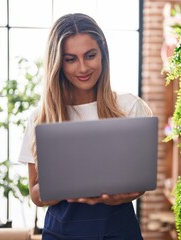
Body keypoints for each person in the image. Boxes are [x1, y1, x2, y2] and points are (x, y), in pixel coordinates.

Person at [18, 13, 152, 239]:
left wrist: (114, 197)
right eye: (70, 59)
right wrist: (67, 187)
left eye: (90, 56)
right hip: (60, 232)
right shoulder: (41, 118)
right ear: (58, 63)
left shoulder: (129, 107)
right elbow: (35, 194)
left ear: (103, 54)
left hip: (119, 231)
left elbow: (139, 185)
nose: (82, 68)